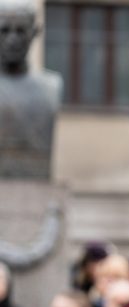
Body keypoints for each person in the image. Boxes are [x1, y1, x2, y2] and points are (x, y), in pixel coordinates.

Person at [0, 0, 62, 181]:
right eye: (4, 31)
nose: (12, 39)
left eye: (20, 31)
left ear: (35, 32)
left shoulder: (50, 87)